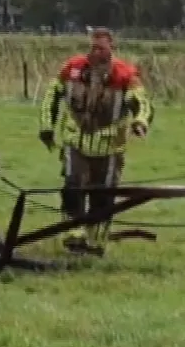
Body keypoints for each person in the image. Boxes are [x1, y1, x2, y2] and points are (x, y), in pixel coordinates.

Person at [38, 28, 153, 255]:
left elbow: (141, 103)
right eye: (93, 47)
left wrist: (140, 122)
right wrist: (46, 126)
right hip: (75, 140)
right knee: (73, 186)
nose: (95, 52)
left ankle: (96, 240)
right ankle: (74, 233)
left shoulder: (126, 75)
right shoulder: (72, 68)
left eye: (101, 48)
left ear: (112, 48)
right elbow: (53, 94)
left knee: (104, 194)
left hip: (110, 146)